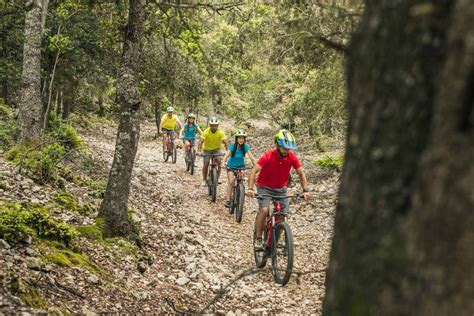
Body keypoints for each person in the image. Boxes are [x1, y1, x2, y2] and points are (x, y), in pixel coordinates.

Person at [246, 129, 309, 249]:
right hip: (264, 187)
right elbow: (254, 171)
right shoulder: (268, 155)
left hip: (281, 189)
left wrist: (305, 190)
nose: (287, 151)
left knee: (283, 214)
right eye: (285, 148)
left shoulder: (292, 156)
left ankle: (275, 239)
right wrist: (250, 188)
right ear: (278, 145)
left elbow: (301, 172)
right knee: (264, 210)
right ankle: (258, 238)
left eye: (289, 148)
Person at [223, 129, 256, 208]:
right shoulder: (232, 147)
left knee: (240, 180)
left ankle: (239, 195)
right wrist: (223, 162)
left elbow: (251, 157)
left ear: (244, 139)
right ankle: (228, 199)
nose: (241, 140)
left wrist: (255, 165)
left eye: (242, 138)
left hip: (241, 166)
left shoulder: (245, 147)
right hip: (231, 166)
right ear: (236, 139)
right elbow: (226, 156)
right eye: (239, 138)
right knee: (231, 181)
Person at [197, 116, 228, 187]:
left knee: (219, 162)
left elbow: (225, 142)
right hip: (207, 149)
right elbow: (200, 142)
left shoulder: (220, 132)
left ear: (217, 126)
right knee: (206, 164)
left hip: (217, 149)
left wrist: (227, 151)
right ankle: (204, 180)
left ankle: (217, 178)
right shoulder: (206, 132)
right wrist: (199, 151)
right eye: (212, 125)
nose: (214, 127)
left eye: (215, 125)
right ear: (210, 125)